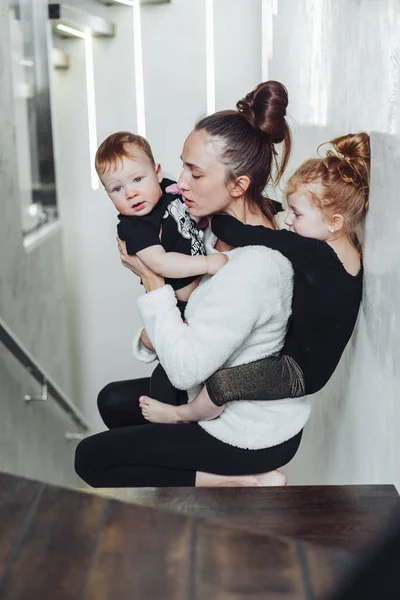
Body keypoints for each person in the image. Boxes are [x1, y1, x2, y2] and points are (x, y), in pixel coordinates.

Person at [75, 80, 309, 488]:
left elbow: (185, 370)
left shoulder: (254, 268)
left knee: (91, 459)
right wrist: (152, 334)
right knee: (112, 401)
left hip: (245, 427)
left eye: (194, 172)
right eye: (181, 165)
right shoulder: (217, 225)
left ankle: (240, 481)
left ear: (238, 186)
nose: (179, 182)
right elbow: (195, 316)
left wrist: (151, 279)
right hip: (211, 389)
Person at [139, 132, 369, 424]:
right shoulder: (345, 246)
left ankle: (180, 415)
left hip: (296, 372)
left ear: (334, 222)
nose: (288, 219)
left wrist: (219, 211)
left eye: (296, 213)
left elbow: (239, 233)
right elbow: (282, 220)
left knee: (222, 384)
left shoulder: (316, 255)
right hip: (302, 356)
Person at [95, 131, 227, 406]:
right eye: (116, 189)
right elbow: (159, 263)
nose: (131, 193)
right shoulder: (134, 226)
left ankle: (202, 404)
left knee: (204, 359)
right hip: (179, 302)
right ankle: (172, 413)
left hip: (201, 294)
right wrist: (206, 263)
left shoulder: (169, 190)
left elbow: (192, 217)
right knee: (171, 370)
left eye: (138, 179)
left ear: (157, 172)